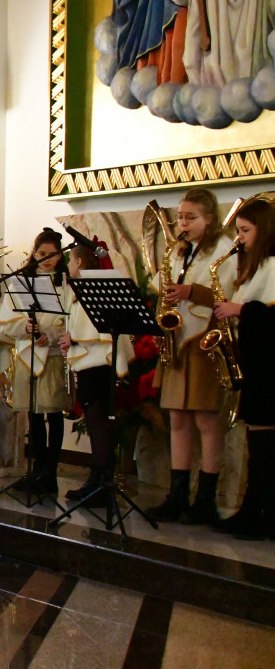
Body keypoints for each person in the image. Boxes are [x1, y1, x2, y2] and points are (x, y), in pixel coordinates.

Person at [145, 188, 234, 524]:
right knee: (178, 420)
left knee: (206, 421)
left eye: (190, 217)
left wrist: (190, 291)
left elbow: (229, 293)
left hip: (203, 340)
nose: (182, 222)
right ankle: (177, 495)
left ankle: (206, 499)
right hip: (177, 340)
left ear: (209, 219)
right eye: (180, 216)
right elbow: (162, 288)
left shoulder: (224, 249)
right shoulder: (178, 250)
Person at [212, 193, 275, 539]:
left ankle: (264, 516)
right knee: (259, 449)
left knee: (266, 450)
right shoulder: (258, 268)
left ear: (264, 230)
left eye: (245, 231)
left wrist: (239, 311)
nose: (239, 238)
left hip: (270, 372)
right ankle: (253, 511)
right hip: (257, 368)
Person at [57, 243, 133, 505]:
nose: (67, 266)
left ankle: (102, 480)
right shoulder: (79, 289)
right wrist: (71, 337)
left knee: (97, 417)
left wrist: (74, 338)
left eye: (70, 261)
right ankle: (98, 477)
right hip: (90, 358)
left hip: (99, 361)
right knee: (93, 417)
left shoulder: (94, 286)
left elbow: (96, 326)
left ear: (79, 262)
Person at [0, 228, 69, 493]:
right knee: (34, 415)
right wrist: (25, 328)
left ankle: (50, 472)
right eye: (41, 254)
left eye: (52, 255)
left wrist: (51, 334)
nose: (46, 260)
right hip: (28, 354)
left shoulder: (66, 283)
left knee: (52, 413)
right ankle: (36, 470)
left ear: (60, 256)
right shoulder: (20, 282)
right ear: (34, 253)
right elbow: (8, 319)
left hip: (51, 356)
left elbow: (72, 318)